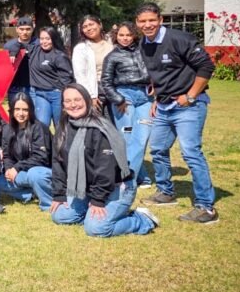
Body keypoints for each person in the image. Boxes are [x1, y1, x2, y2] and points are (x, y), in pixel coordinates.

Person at [135, 2, 218, 224]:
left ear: (161, 20)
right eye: (142, 21)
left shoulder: (179, 39)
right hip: (163, 106)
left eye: (152, 20)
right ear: (137, 23)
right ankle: (166, 192)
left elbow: (206, 67)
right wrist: (156, 97)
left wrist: (190, 96)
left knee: (191, 152)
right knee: (158, 149)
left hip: (189, 106)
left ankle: (206, 208)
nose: (147, 24)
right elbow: (157, 73)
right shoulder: (144, 44)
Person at [49, 84, 158, 237]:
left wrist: (97, 201)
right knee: (59, 215)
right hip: (87, 188)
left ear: (87, 100)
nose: (73, 104)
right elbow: (57, 162)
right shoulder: (64, 127)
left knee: (96, 229)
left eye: (77, 99)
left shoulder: (100, 128)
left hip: (116, 186)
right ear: (62, 105)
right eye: (68, 101)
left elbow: (105, 169)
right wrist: (59, 194)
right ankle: (91, 214)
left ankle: (141, 219)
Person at [100, 22, 153, 188]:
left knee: (142, 137)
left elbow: (156, 70)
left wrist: (155, 86)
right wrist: (118, 99)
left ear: (134, 36)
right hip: (125, 98)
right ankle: (129, 177)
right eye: (121, 35)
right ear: (117, 36)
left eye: (128, 35)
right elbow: (106, 82)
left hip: (144, 98)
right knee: (127, 136)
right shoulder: (112, 56)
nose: (125, 38)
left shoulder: (144, 51)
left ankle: (132, 175)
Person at [1, 92, 53, 210]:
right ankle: (31, 193)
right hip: (20, 173)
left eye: (25, 109)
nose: (21, 113)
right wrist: (9, 169)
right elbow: (7, 155)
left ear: (31, 111)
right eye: (17, 109)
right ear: (12, 110)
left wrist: (17, 167)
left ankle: (47, 203)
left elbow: (41, 157)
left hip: (41, 171)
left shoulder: (39, 128)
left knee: (34, 175)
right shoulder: (7, 129)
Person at [29, 26, 74, 131]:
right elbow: (16, 44)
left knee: (60, 126)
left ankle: (61, 147)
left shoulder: (59, 56)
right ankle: (45, 147)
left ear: (53, 39)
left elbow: (67, 78)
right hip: (39, 94)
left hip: (56, 94)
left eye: (48, 39)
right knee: (41, 126)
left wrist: (63, 94)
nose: (44, 42)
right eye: (42, 38)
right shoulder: (34, 50)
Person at [72, 15, 113, 111]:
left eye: (91, 24)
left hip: (115, 88)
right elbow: (80, 75)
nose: (89, 29)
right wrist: (91, 95)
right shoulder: (81, 48)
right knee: (102, 122)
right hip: (97, 90)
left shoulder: (111, 43)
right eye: (85, 27)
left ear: (100, 25)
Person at [3, 17, 38, 106]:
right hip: (14, 86)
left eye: (28, 29)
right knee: (14, 115)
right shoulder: (8, 46)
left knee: (33, 115)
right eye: (21, 29)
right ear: (17, 29)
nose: (24, 32)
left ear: (32, 29)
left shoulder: (39, 44)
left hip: (33, 87)